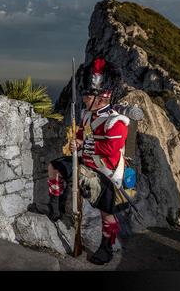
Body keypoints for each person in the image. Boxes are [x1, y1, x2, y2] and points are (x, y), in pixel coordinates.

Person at [45, 57, 130, 265]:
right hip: (84, 163)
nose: (84, 98)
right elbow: (83, 134)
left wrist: (84, 146)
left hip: (106, 173)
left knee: (107, 214)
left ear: (101, 97)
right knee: (54, 167)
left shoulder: (115, 121)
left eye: (88, 95)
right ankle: (55, 207)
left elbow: (111, 150)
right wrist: (78, 142)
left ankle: (106, 247)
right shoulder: (86, 115)